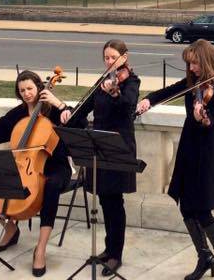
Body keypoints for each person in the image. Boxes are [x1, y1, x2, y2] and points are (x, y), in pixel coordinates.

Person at [136, 39, 214, 280]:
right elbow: (169, 91)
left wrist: (202, 116)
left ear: (205, 61)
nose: (191, 69)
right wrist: (148, 100)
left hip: (207, 152)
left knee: (202, 210)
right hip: (189, 149)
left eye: (194, 64)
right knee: (186, 207)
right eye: (189, 64)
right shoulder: (193, 84)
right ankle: (205, 257)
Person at [0, 70, 70, 277]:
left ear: (39, 88)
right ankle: (10, 229)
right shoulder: (18, 114)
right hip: (26, 166)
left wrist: (59, 104)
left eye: (30, 89)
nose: (26, 93)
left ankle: (40, 248)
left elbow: (77, 122)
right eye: (22, 90)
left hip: (55, 166)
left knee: (51, 187)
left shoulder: (53, 111)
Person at [62, 39, 140, 277]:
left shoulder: (131, 81)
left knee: (115, 202)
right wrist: (69, 113)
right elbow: (85, 106)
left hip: (118, 146)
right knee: (106, 200)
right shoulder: (102, 81)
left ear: (124, 58)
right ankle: (108, 249)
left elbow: (129, 107)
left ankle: (116, 254)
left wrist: (116, 93)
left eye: (113, 57)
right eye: (105, 57)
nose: (109, 61)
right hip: (100, 146)